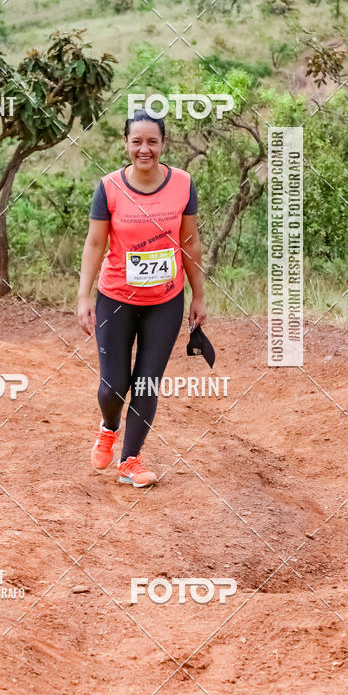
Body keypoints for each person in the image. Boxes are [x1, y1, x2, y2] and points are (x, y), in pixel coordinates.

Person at [77, 108, 207, 487]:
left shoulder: (182, 184)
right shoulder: (109, 188)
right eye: (137, 141)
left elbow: (189, 242)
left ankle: (130, 460)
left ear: (163, 143)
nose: (144, 149)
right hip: (116, 298)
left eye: (152, 141)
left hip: (165, 302)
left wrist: (198, 295)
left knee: (147, 383)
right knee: (113, 386)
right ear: (126, 144)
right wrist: (83, 296)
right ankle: (109, 426)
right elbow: (95, 243)